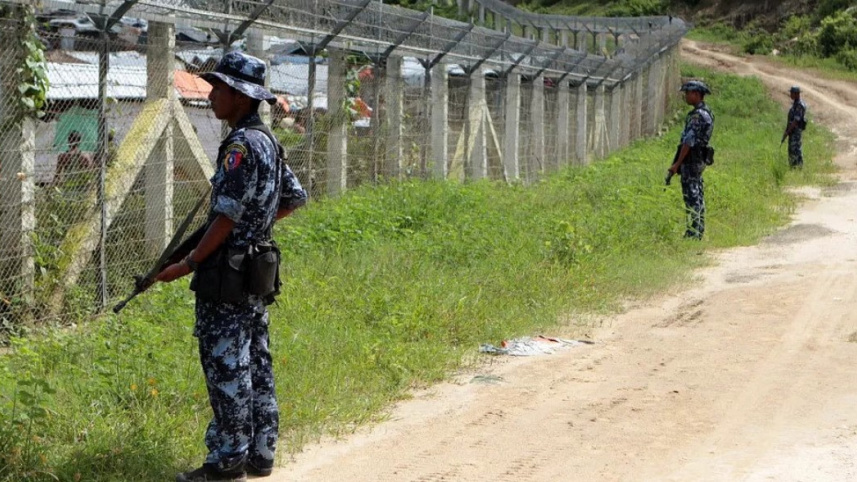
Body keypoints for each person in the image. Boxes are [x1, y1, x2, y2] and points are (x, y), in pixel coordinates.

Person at [155, 51, 307, 482]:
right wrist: (255, 227)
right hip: (256, 269)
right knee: (256, 361)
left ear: (239, 96)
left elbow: (224, 217)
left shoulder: (240, 145)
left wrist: (188, 263)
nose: (211, 95)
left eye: (218, 88)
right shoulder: (268, 142)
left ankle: (226, 461)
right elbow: (293, 198)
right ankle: (261, 453)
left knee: (227, 367)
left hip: (227, 275)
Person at [668, 80, 714, 240]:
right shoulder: (706, 112)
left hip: (692, 160)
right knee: (697, 194)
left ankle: (693, 233)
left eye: (688, 93)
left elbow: (688, 141)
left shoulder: (697, 115)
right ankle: (697, 231)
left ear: (696, 94)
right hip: (698, 159)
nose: (686, 96)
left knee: (692, 196)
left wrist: (677, 164)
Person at [783, 85, 808, 169]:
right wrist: (786, 132)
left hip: (795, 131)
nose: (790, 94)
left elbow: (795, 121)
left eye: (792, 93)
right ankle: (793, 168)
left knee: (796, 150)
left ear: (796, 94)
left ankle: (798, 168)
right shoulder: (795, 104)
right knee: (791, 150)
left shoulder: (799, 105)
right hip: (792, 131)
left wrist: (787, 132)